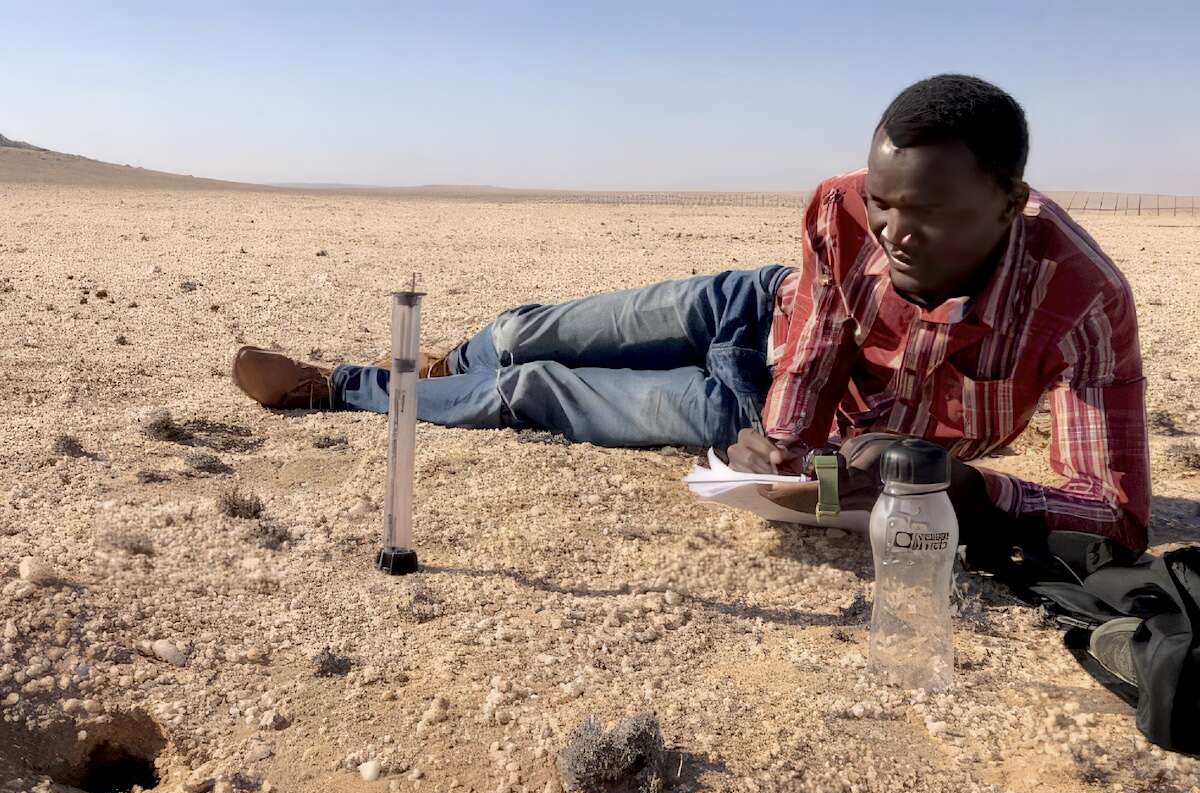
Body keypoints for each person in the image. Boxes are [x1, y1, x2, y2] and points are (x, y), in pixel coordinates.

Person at [232, 74, 1149, 562]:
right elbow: (822, 341)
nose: (896, 235)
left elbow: (1116, 511)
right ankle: (440, 362)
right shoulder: (841, 210)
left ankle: (339, 387)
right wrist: (781, 449)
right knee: (520, 332)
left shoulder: (1081, 304)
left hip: (740, 407)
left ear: (1009, 200)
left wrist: (963, 489)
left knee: (530, 388)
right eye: (884, 203)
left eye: (933, 214)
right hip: (755, 313)